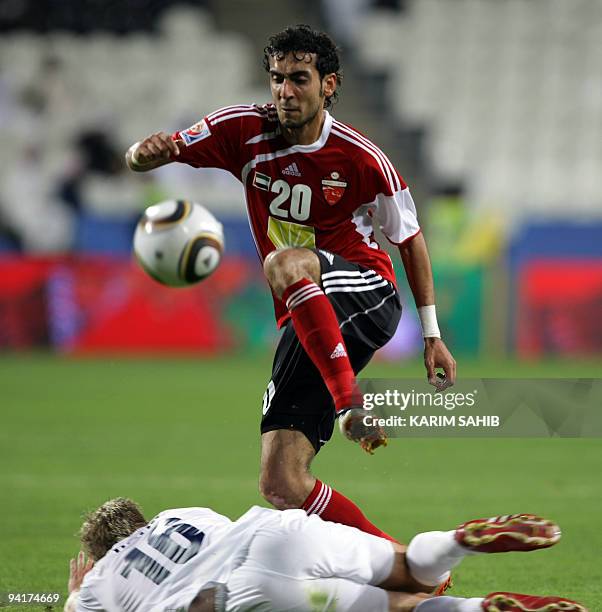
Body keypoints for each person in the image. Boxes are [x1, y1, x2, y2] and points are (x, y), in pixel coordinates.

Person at [125, 25, 456, 543]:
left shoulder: (361, 158)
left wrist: (432, 335)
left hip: (368, 293)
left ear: (329, 85)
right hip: (310, 316)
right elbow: (159, 151)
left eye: (299, 79)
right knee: (281, 481)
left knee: (284, 264)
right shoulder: (242, 131)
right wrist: (140, 156)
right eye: (277, 79)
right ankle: (408, 568)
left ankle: (351, 405)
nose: (284, 91)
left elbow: (409, 239)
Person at [64, 498, 586, 612]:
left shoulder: (95, 588)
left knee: (407, 610)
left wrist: (70, 596)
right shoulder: (182, 516)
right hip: (277, 532)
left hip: (238, 596)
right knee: (407, 570)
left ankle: (482, 609)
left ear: (102, 552)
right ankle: (456, 541)